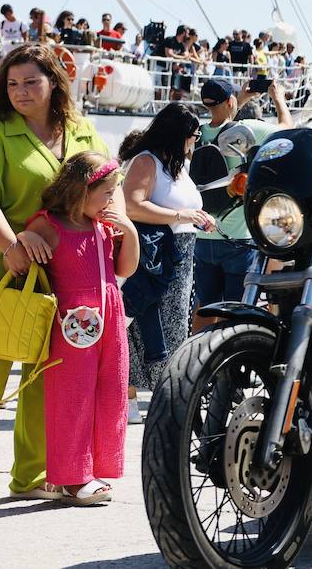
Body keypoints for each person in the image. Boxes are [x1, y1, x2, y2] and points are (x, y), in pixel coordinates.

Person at [0, 43, 110, 500]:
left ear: (54, 82)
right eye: (12, 83)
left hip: (67, 280)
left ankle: (33, 476)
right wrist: (13, 242)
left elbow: (106, 188)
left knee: (44, 378)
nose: (20, 91)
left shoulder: (83, 131)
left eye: (31, 81)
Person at [26, 151, 138, 505]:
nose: (111, 199)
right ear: (80, 190)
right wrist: (23, 239)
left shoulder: (102, 225)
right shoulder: (49, 224)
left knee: (111, 391)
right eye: (106, 192)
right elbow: (25, 258)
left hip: (109, 320)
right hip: (70, 326)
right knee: (71, 398)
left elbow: (125, 269)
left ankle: (95, 468)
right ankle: (72, 477)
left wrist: (129, 230)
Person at [121, 103, 214, 423]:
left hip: (181, 254)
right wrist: (181, 215)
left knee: (173, 328)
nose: (197, 140)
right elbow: (131, 206)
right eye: (194, 134)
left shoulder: (176, 164)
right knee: (147, 325)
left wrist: (197, 217)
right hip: (155, 254)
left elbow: (181, 207)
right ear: (179, 134)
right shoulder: (147, 161)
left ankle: (165, 395)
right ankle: (133, 397)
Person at [192, 78, 292, 330]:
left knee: (205, 306)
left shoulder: (199, 134)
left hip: (204, 236)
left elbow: (222, 119)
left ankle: (196, 359)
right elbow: (287, 130)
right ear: (230, 101)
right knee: (236, 311)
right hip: (238, 239)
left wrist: (240, 99)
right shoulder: (246, 129)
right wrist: (277, 97)